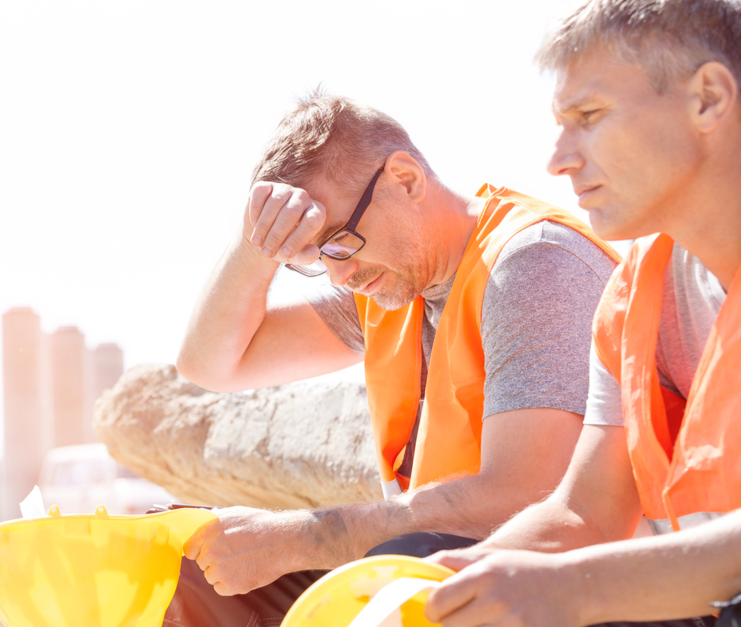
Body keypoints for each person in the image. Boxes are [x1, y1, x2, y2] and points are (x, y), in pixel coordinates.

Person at [164, 91, 621, 626]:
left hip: (578, 590)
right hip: (443, 566)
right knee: (190, 566)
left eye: (338, 242)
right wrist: (254, 246)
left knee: (403, 561)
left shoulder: (535, 264)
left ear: (405, 180)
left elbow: (529, 498)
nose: (338, 274)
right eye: (312, 257)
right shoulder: (387, 289)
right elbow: (210, 365)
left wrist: (300, 538)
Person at [422, 1, 741, 626]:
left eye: (588, 117)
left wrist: (574, 590)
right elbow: (585, 516)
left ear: (707, 99)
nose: (558, 159)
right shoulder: (630, 302)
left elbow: (579, 577)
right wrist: (425, 591)